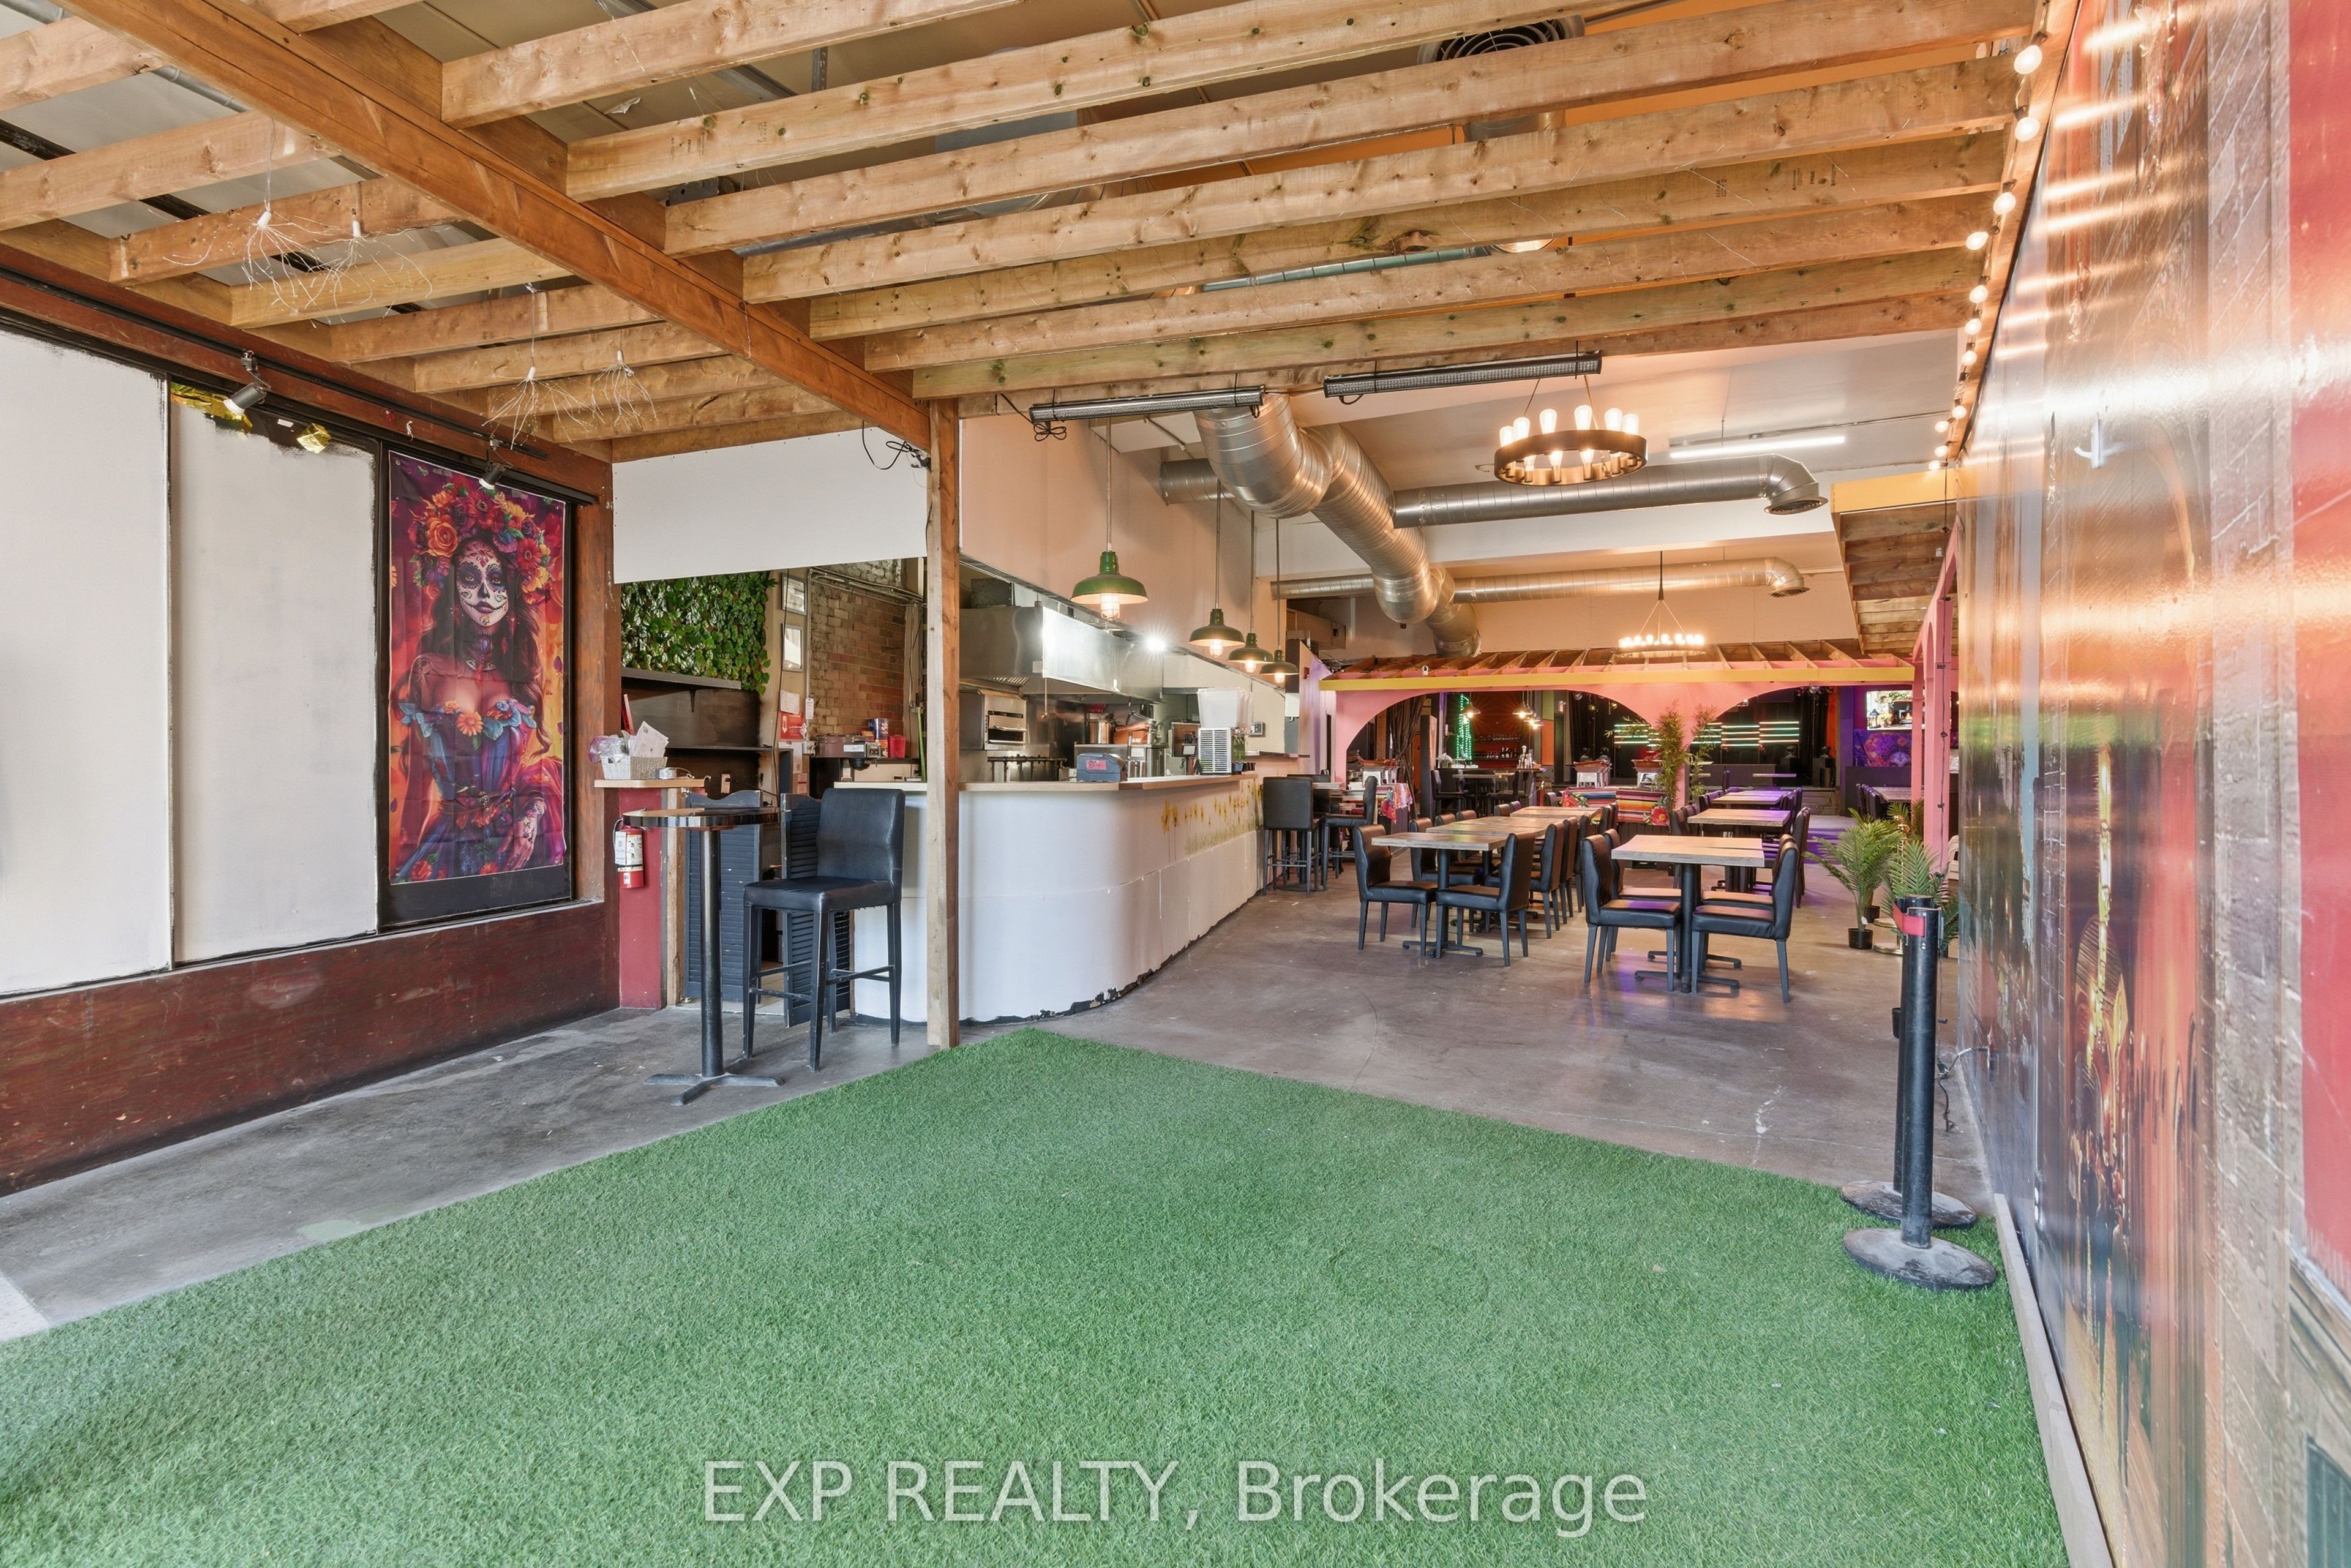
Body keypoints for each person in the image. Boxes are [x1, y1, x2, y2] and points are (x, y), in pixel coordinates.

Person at [391, 481, 566, 882]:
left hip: (518, 846)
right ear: (452, 588)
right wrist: (404, 854)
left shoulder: (521, 673)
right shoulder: (429, 670)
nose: (485, 591)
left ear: (513, 591)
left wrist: (531, 818)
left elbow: (533, 773)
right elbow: (417, 784)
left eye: (497, 579)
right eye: (470, 577)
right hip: (450, 848)